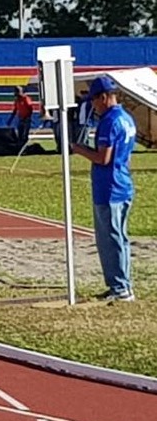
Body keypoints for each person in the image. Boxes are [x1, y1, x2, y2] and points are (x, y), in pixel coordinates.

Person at [72, 75, 137, 302]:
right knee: (120, 237)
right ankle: (122, 283)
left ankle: (120, 287)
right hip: (122, 183)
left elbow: (103, 158)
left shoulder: (109, 122)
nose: (93, 105)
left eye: (94, 100)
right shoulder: (126, 119)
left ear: (104, 97)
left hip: (109, 188)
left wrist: (79, 149)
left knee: (110, 239)